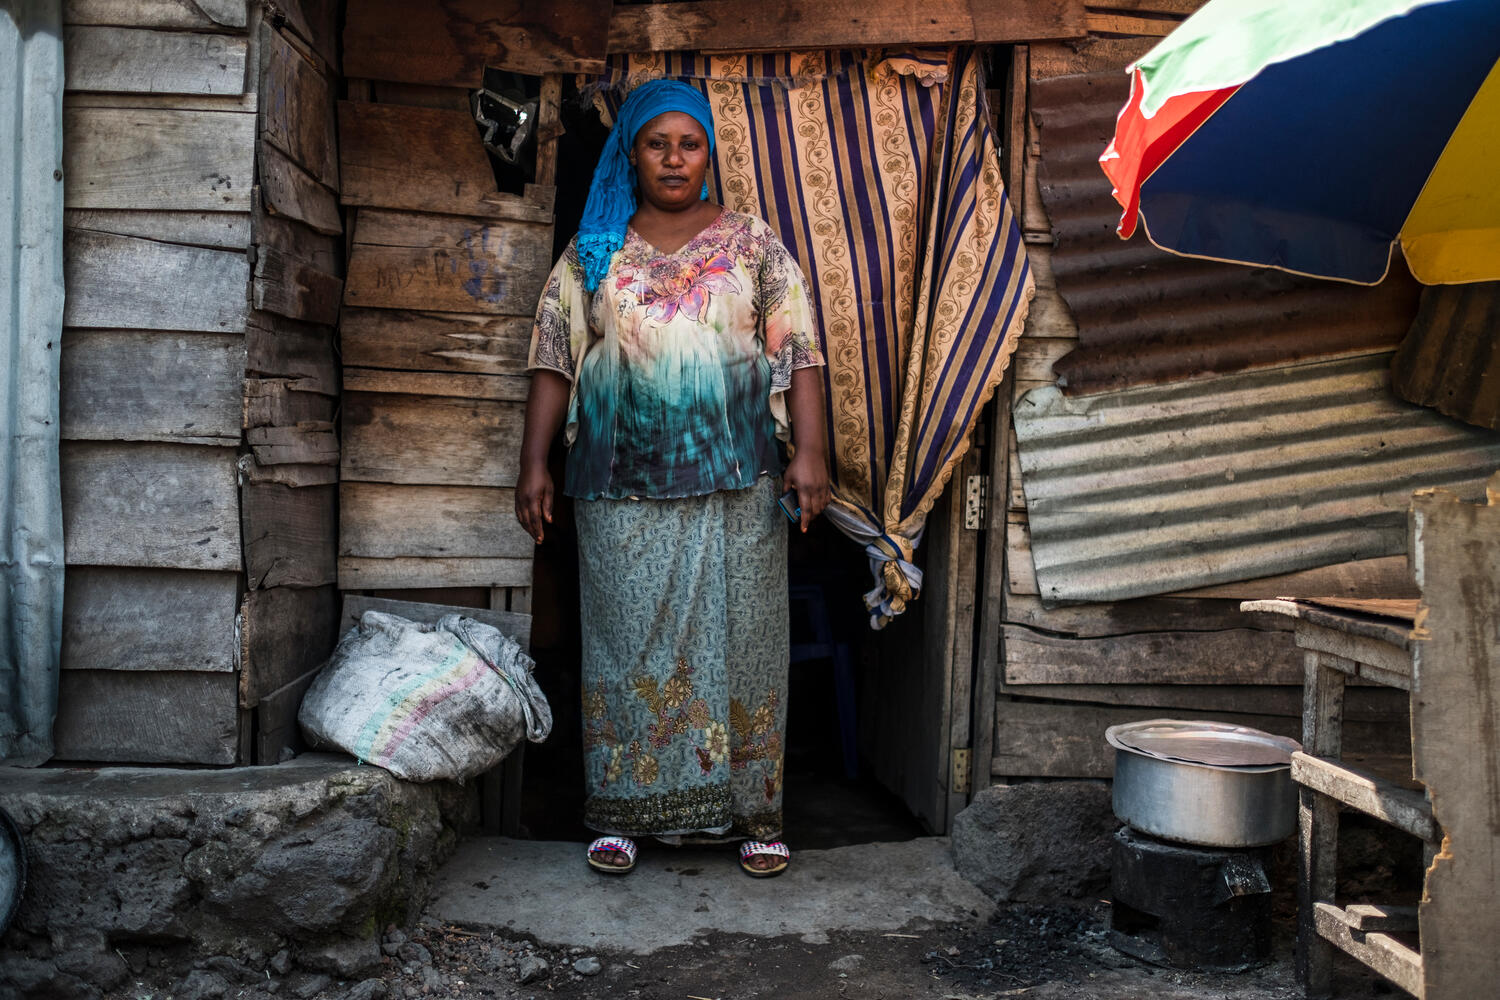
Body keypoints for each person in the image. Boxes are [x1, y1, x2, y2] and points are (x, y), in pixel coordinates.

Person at [515, 79, 830, 878]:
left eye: (689, 144)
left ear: (708, 153)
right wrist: (533, 464)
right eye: (657, 144)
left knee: (746, 642)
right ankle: (622, 811)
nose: (674, 159)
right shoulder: (595, 247)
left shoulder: (751, 242)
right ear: (633, 153)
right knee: (626, 642)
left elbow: (798, 347)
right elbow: (555, 354)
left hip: (737, 478)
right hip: (617, 478)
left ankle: (754, 813)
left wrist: (811, 452)